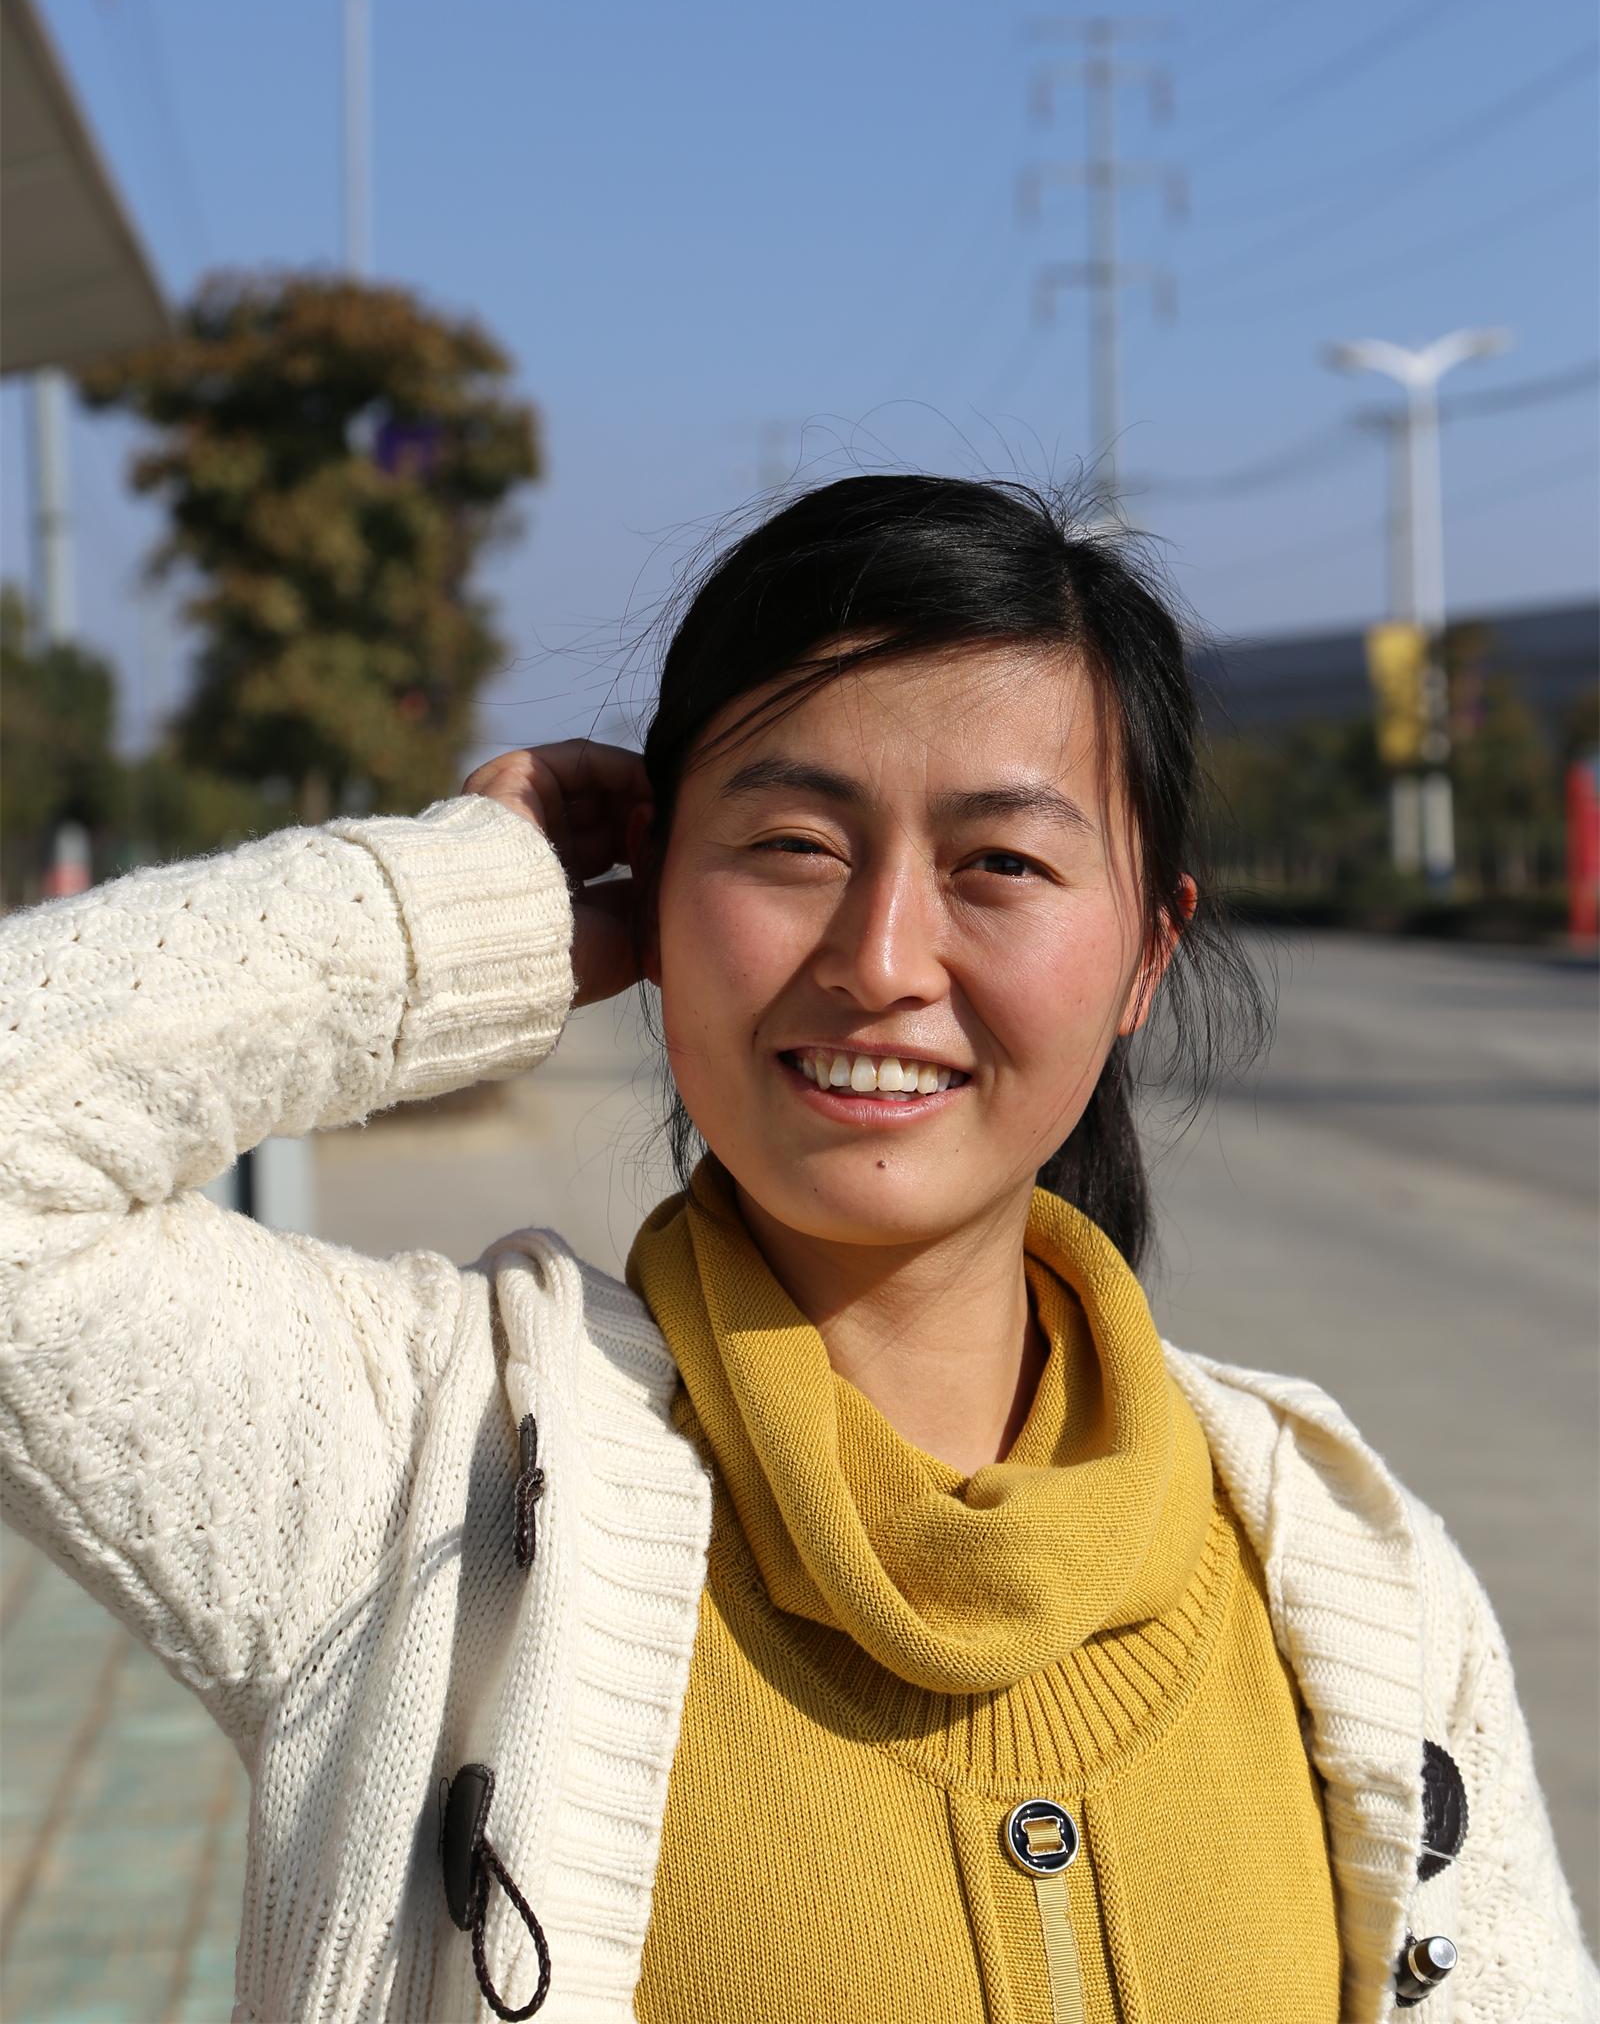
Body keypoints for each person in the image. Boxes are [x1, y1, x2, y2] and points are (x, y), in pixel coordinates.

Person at [0, 473, 1591, 2024]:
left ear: (1144, 957)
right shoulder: (417, 1472)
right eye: (792, 844)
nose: (881, 959)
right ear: (652, 885)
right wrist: (470, 903)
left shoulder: (1358, 1582)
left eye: (1001, 863)